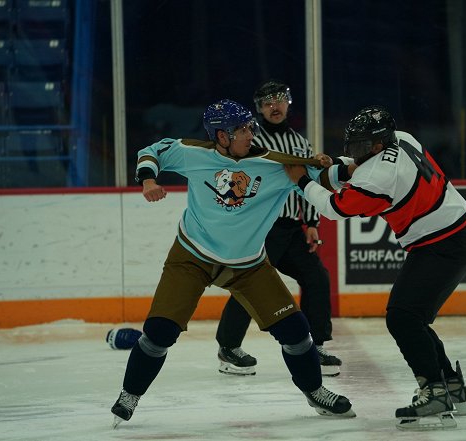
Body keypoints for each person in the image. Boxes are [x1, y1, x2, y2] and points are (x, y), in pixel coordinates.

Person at [110, 99, 356, 428]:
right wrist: (148, 181)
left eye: (250, 127)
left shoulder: (276, 164)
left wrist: (359, 163)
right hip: (191, 257)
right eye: (242, 129)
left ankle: (315, 390)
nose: (250, 134)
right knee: (159, 333)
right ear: (221, 136)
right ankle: (130, 394)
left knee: (297, 333)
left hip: (248, 265)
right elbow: (150, 151)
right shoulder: (194, 153)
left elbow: (330, 174)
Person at [284, 105, 466, 431]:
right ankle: (450, 386)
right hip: (455, 237)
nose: (354, 152)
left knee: (402, 317)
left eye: (360, 146)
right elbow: (355, 170)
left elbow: (333, 207)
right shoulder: (402, 138)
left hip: (442, 245)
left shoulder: (379, 178)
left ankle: (435, 391)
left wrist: (301, 179)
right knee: (411, 316)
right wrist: (331, 165)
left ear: (376, 146)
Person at [215, 80, 341, 377]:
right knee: (250, 282)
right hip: (261, 227)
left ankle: (315, 345)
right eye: (267, 102)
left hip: (290, 227)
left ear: (288, 103)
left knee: (316, 277)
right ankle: (228, 347)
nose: (275, 106)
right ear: (258, 109)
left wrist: (310, 223)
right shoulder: (250, 141)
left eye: (280, 100)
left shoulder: (300, 143)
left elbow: (307, 183)